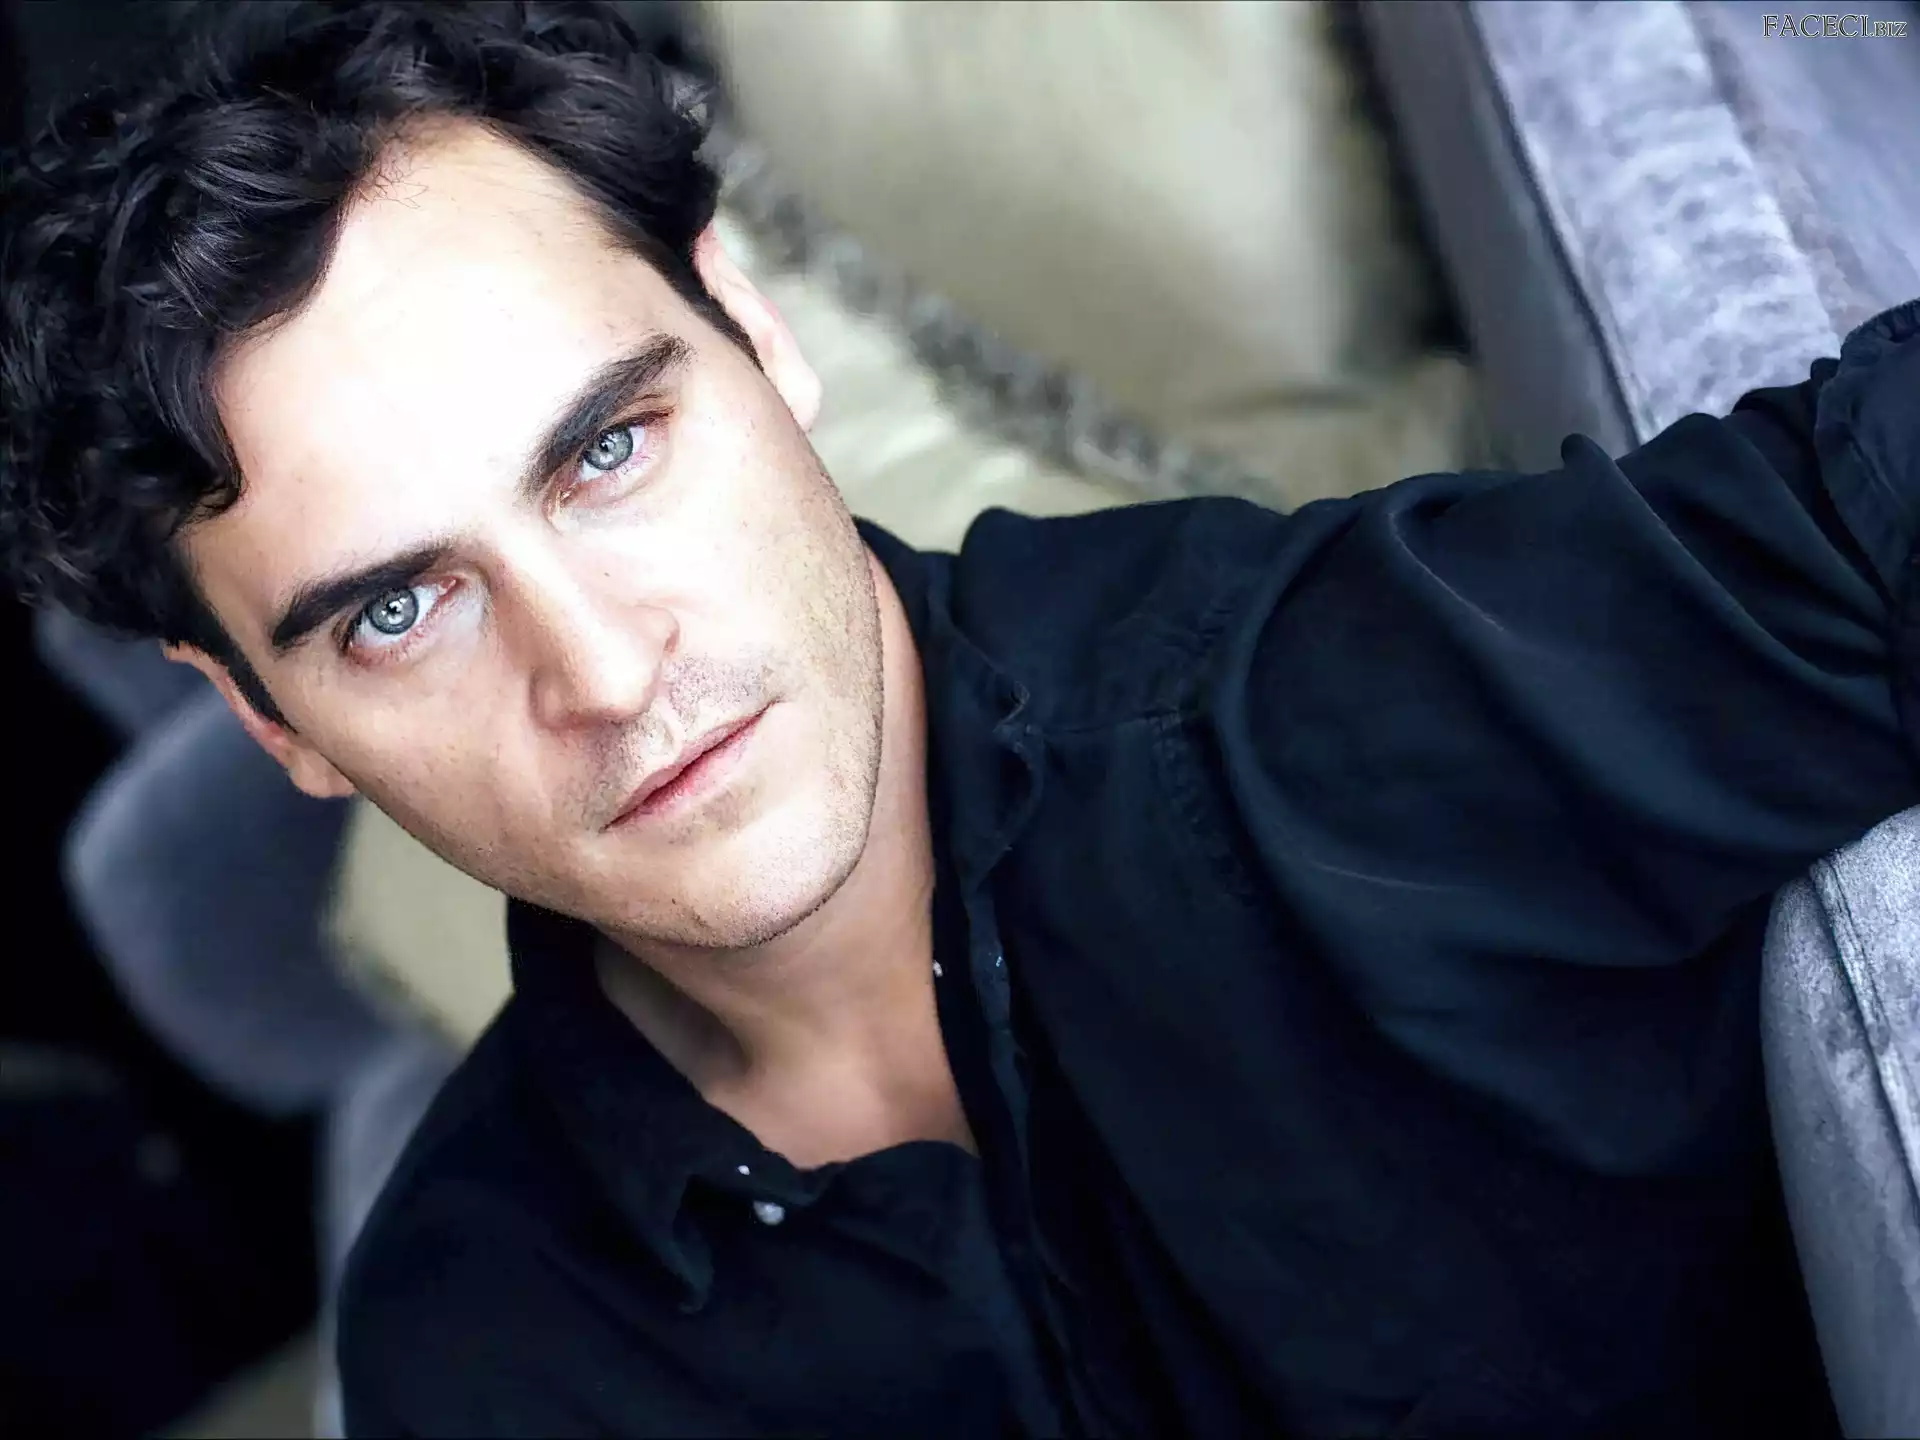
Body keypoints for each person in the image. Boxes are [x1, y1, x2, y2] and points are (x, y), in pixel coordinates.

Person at [2, 2, 1909, 1435]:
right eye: (400, 609)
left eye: (606, 451)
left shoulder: (1327, 718)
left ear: (761, 336)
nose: (603, 672)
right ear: (270, 721)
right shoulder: (481, 1349)